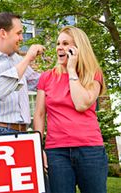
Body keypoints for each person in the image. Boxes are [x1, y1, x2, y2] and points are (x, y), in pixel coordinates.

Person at [33, 26, 107, 193]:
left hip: (90, 150)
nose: (59, 47)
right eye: (58, 43)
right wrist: (39, 147)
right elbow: (39, 114)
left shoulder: (93, 74)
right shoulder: (47, 77)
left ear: (78, 48)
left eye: (66, 43)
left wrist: (72, 70)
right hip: (56, 152)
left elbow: (81, 104)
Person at [0, 12, 45, 135]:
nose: (22, 38)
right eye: (18, 33)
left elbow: (40, 83)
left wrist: (68, 68)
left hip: (22, 133)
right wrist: (27, 59)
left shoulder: (18, 61)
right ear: (3, 33)